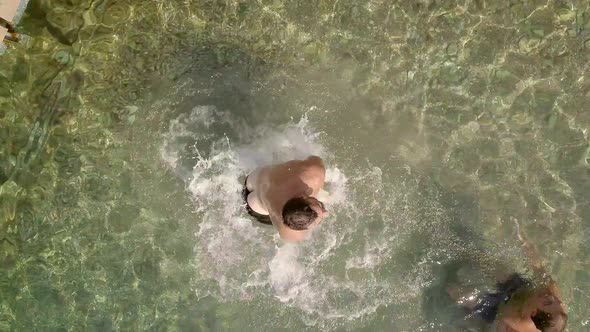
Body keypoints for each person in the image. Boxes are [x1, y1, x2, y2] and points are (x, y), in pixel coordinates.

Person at [448, 221, 567, 331]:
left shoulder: (511, 325)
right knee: (480, 258)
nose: (551, 297)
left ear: (533, 313)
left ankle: (446, 276)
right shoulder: (550, 291)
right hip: (516, 288)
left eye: (547, 303)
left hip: (495, 311)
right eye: (558, 302)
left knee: (454, 291)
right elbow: (538, 267)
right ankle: (456, 245)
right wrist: (525, 244)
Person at [242, 155, 327, 241]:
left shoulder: (313, 173)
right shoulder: (286, 227)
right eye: (320, 205)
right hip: (256, 205)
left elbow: (315, 159)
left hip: (255, 179)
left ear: (302, 197)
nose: (325, 212)